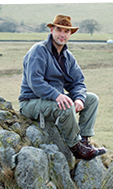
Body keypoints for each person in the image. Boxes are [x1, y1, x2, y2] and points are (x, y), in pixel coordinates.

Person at [18, 14, 106, 160]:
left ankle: (84, 141)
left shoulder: (68, 57)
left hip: (51, 101)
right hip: (31, 102)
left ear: (70, 34)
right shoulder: (38, 51)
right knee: (65, 105)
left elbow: (77, 82)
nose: (62, 34)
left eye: (66, 31)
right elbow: (35, 82)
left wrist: (79, 98)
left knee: (91, 99)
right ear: (51, 30)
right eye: (59, 30)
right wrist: (57, 95)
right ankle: (76, 147)